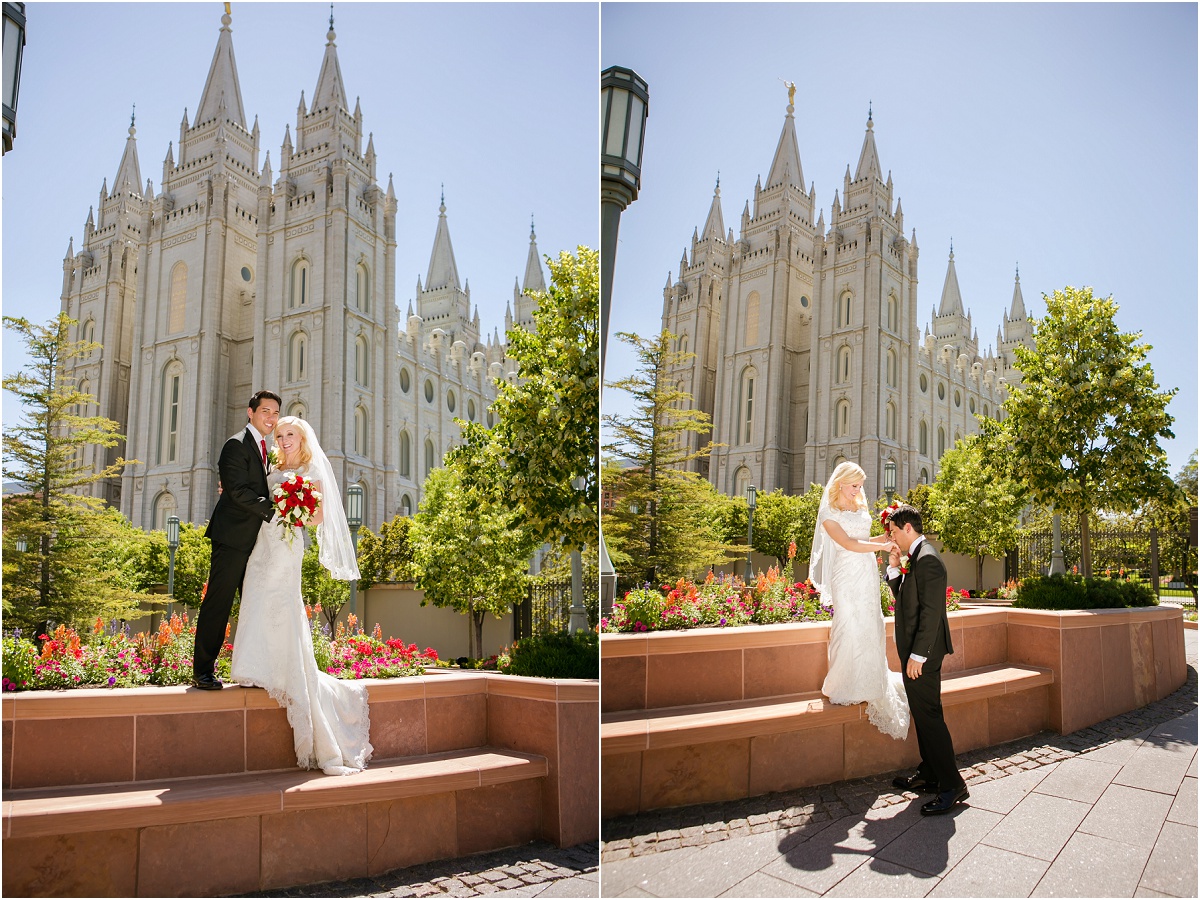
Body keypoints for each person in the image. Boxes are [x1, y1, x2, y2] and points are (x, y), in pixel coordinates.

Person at [231, 416, 372, 776]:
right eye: (280, 435)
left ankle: (288, 674)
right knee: (255, 597)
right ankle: (252, 668)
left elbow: (318, 518)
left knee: (281, 605)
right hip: (262, 545)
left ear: (303, 437)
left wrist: (295, 508)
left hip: (288, 548)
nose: (285, 439)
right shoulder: (273, 466)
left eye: (290, 434)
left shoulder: (313, 470)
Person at [809, 461, 910, 740]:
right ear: (841, 482)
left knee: (870, 624)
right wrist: (882, 545)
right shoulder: (829, 513)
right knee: (848, 625)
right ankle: (844, 686)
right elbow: (849, 544)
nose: (858, 490)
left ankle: (870, 682)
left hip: (865, 572)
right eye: (855, 485)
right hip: (845, 574)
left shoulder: (860, 505)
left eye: (860, 486)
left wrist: (888, 536)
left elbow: (865, 538)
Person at [193, 390, 281, 690]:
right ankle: (202, 671)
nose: (271, 418)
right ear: (251, 412)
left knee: (254, 605)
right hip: (231, 538)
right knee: (218, 603)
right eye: (265, 411)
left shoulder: (266, 449)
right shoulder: (236, 445)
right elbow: (239, 491)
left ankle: (252, 668)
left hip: (256, 541)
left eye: (275, 413)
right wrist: (277, 510)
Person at [886, 503, 969, 815]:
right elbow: (907, 600)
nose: (892, 538)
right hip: (915, 653)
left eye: (894, 532)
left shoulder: (929, 559)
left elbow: (932, 613)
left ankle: (952, 785)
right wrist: (894, 565)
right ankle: (930, 773)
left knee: (930, 717)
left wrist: (918, 656)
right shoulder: (915, 558)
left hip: (924, 654)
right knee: (922, 714)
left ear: (908, 528)